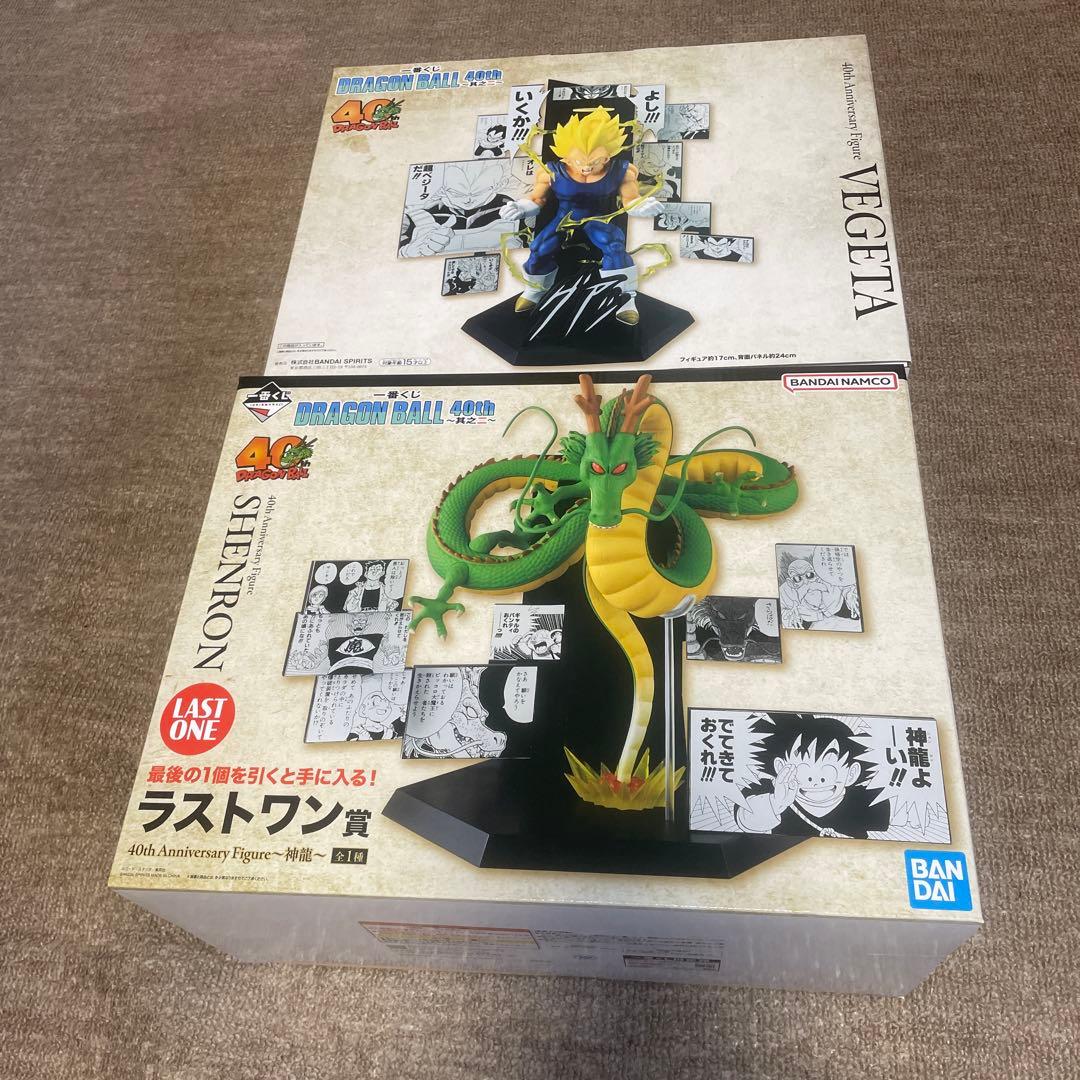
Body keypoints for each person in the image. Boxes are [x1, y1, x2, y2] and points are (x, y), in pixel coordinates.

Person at [498, 106, 662, 325]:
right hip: (564, 216)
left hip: (597, 218)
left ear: (607, 156)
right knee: (540, 247)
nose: (586, 168)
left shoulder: (622, 170)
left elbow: (630, 199)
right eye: (579, 162)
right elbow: (537, 199)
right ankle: (535, 289)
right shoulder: (551, 171)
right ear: (566, 157)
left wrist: (639, 206)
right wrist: (521, 207)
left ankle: (624, 298)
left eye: (594, 162)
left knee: (613, 246)